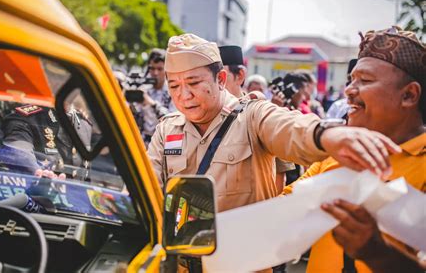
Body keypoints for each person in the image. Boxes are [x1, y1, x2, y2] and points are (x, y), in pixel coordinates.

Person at [148, 33, 400, 215]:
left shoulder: (252, 116)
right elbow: (147, 186)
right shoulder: (166, 129)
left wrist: (327, 135)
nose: (183, 95)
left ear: (221, 78)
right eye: (174, 86)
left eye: (193, 83)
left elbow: (289, 128)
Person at [282, 26, 425, 272]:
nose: (349, 90)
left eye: (365, 81)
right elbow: (283, 214)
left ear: (409, 95)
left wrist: (376, 253)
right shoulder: (337, 154)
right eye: (351, 80)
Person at [219, 46, 296, 195]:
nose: (216, 83)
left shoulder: (259, 114)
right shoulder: (202, 115)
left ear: (240, 75)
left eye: (221, 75)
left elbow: (279, 174)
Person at [2, 104, 92, 178]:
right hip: (35, 194)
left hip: (76, 198)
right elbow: (18, 152)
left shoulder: (84, 125)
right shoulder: (29, 117)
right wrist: (38, 173)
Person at [130, 49, 175, 146]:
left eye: (159, 69)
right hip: (142, 144)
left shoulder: (173, 91)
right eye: (152, 68)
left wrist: (151, 104)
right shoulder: (142, 90)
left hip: (164, 144)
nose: (155, 73)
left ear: (166, 70)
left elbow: (172, 121)